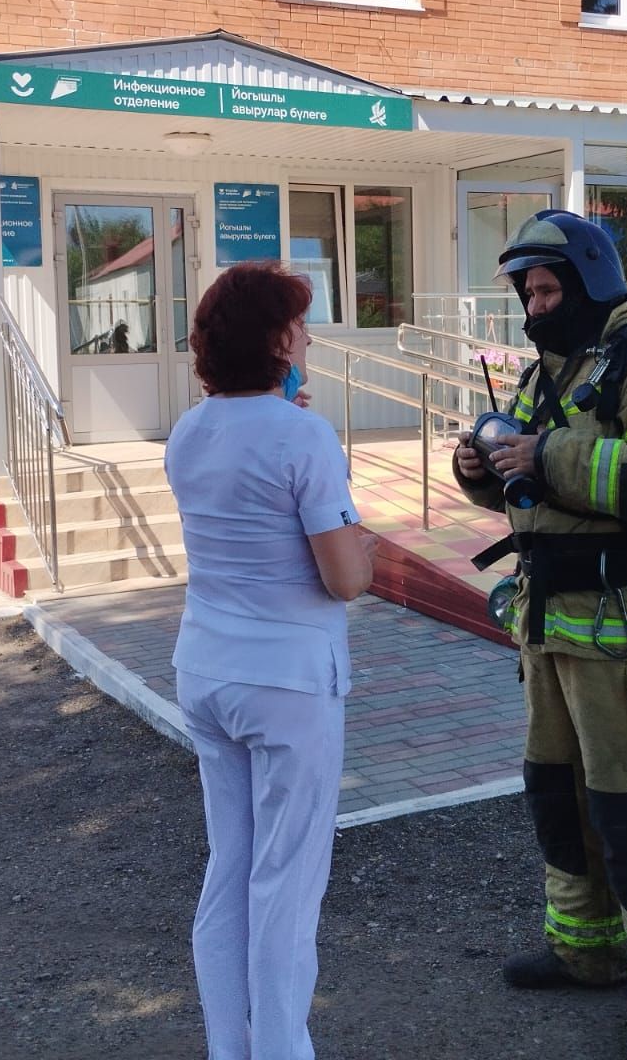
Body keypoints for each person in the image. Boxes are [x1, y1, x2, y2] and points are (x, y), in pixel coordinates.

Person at [453, 209, 627, 1060]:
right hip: (554, 630)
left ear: (591, 277)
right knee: (561, 801)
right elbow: (534, 482)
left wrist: (541, 457)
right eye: (526, 292)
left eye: (546, 288)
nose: (534, 306)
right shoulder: (559, 368)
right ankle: (586, 950)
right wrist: (481, 473)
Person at [165, 261, 377, 1060]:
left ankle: (231, 1046)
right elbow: (344, 577)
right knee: (287, 884)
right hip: (288, 682)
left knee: (233, 866)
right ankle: (283, 1049)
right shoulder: (306, 436)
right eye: (302, 325)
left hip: (207, 669)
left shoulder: (188, 430)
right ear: (279, 340)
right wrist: (365, 547)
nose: (311, 337)